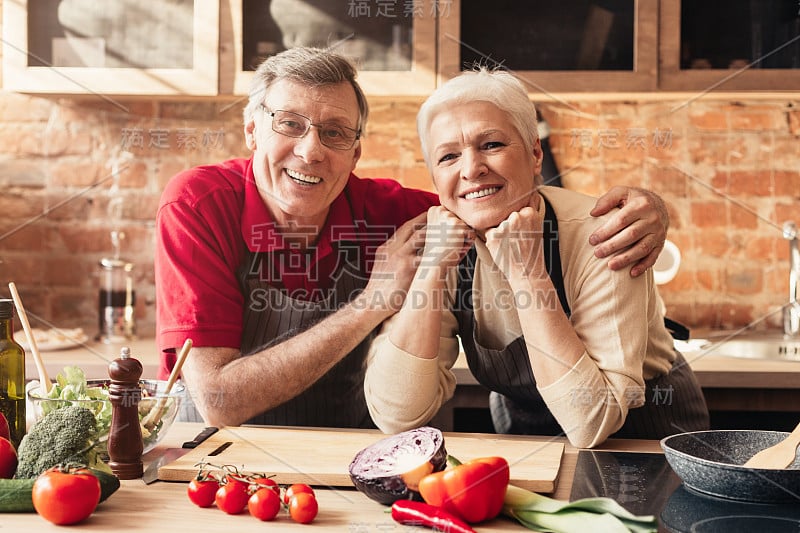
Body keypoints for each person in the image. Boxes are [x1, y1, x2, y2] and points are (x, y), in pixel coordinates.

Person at [155, 47, 673, 429]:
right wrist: (373, 301)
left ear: (356, 152)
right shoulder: (198, 205)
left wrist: (654, 208)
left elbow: (490, 200)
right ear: (251, 131)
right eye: (289, 123)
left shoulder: (397, 213)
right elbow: (218, 401)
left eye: (335, 132)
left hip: (348, 460)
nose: (311, 151)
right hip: (219, 457)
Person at [363, 67, 709, 447]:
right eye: (448, 156)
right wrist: (431, 269)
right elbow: (395, 415)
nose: (471, 169)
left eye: (491, 145)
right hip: (525, 435)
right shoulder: (433, 244)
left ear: (534, 154)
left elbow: (591, 422)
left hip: (644, 438)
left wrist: (528, 273)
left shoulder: (605, 234)